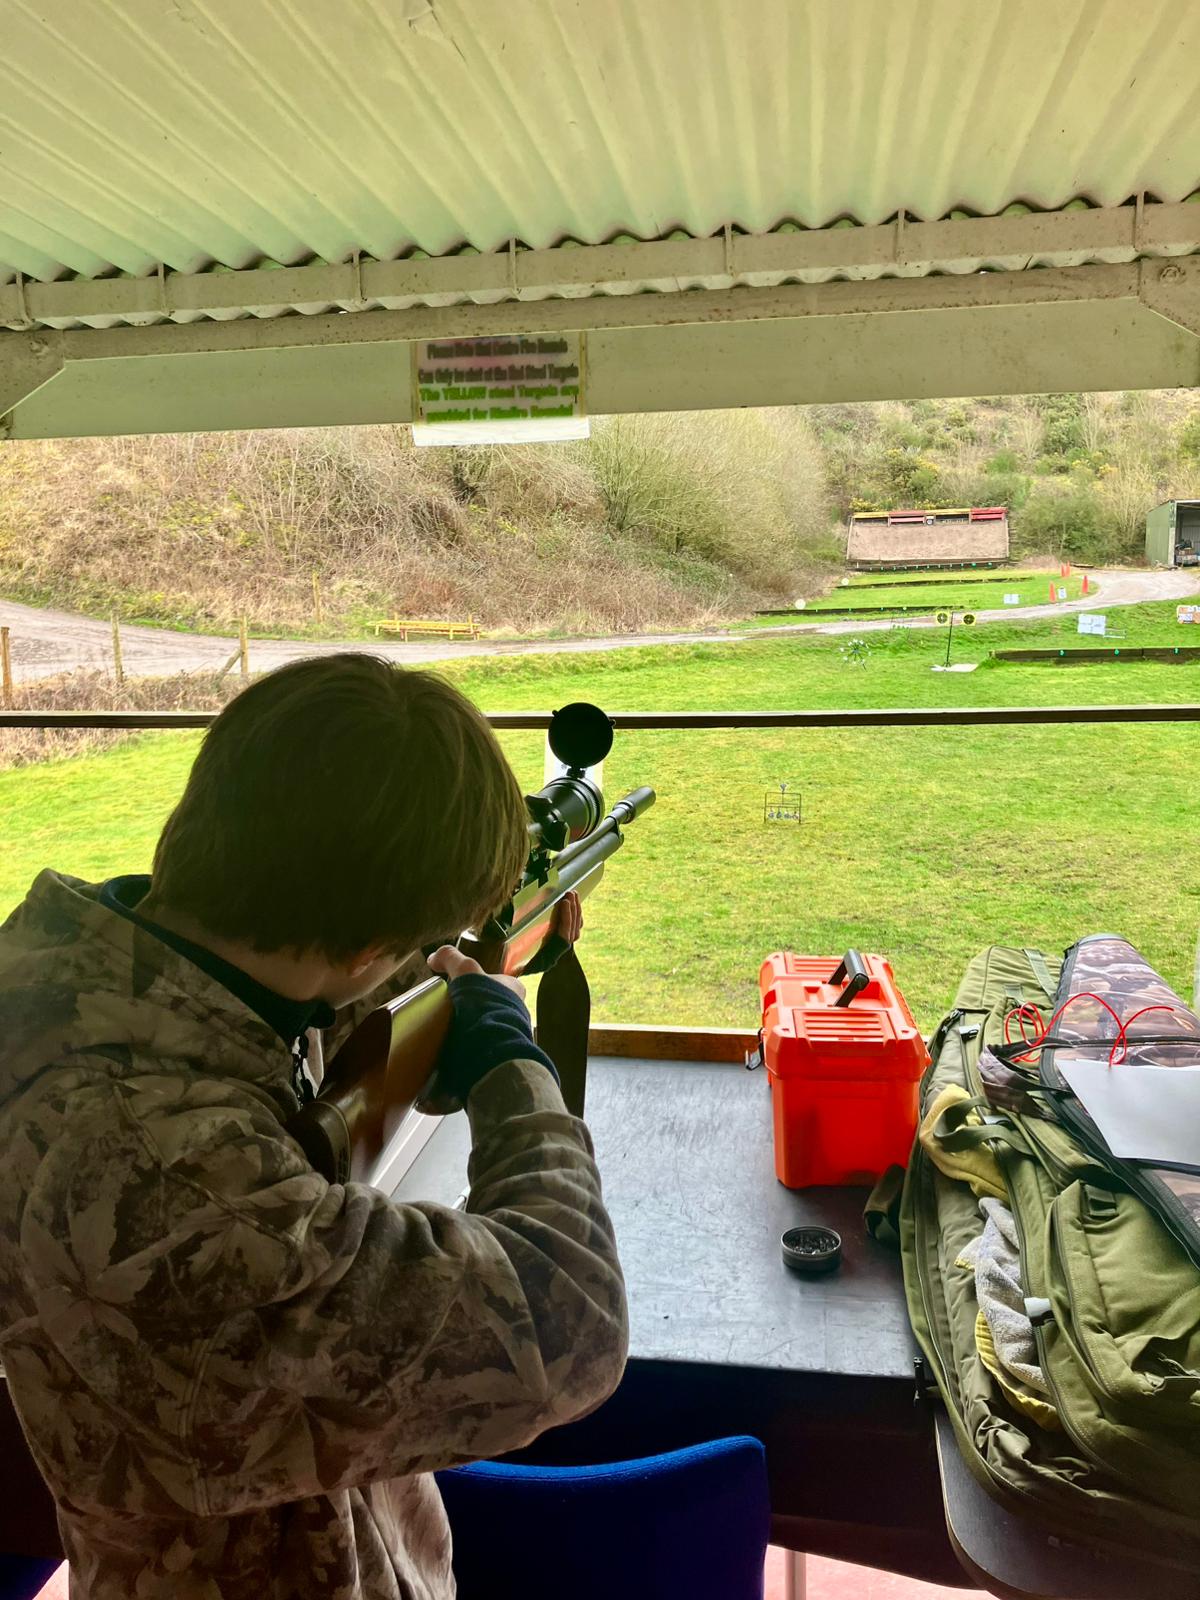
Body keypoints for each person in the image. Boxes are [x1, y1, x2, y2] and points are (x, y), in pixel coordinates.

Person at [0, 655, 628, 1600]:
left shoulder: (106, 991)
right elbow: (569, 1314)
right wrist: (508, 1059)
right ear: (370, 948)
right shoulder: (163, 1171)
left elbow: (292, 1019)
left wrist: (439, 991)